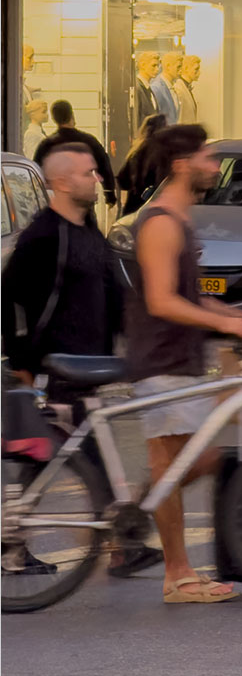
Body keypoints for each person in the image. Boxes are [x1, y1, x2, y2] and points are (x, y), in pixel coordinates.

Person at [1, 142, 159, 578]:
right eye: (89, 173)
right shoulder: (42, 237)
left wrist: (138, 337)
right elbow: (10, 300)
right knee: (51, 456)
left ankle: (122, 546)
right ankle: (13, 547)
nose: (98, 179)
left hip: (89, 364)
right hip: (55, 368)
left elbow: (112, 293)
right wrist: (24, 365)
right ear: (61, 182)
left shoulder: (87, 230)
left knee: (78, 453)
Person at [125, 125, 242, 604]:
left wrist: (233, 315)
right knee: (180, 463)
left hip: (178, 359)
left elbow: (189, 296)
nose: (214, 164)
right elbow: (162, 301)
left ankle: (143, 515)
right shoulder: (162, 222)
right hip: (160, 359)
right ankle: (177, 574)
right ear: (182, 165)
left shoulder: (180, 219)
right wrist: (226, 327)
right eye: (207, 157)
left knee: (185, 462)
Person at [32, 102, 116, 214]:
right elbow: (104, 166)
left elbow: (36, 173)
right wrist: (110, 195)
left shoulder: (47, 145)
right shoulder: (88, 141)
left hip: (58, 202)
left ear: (54, 119)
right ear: (72, 116)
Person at [115, 113, 167, 215]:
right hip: (154, 207)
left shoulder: (136, 150)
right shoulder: (164, 152)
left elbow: (122, 180)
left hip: (133, 207)